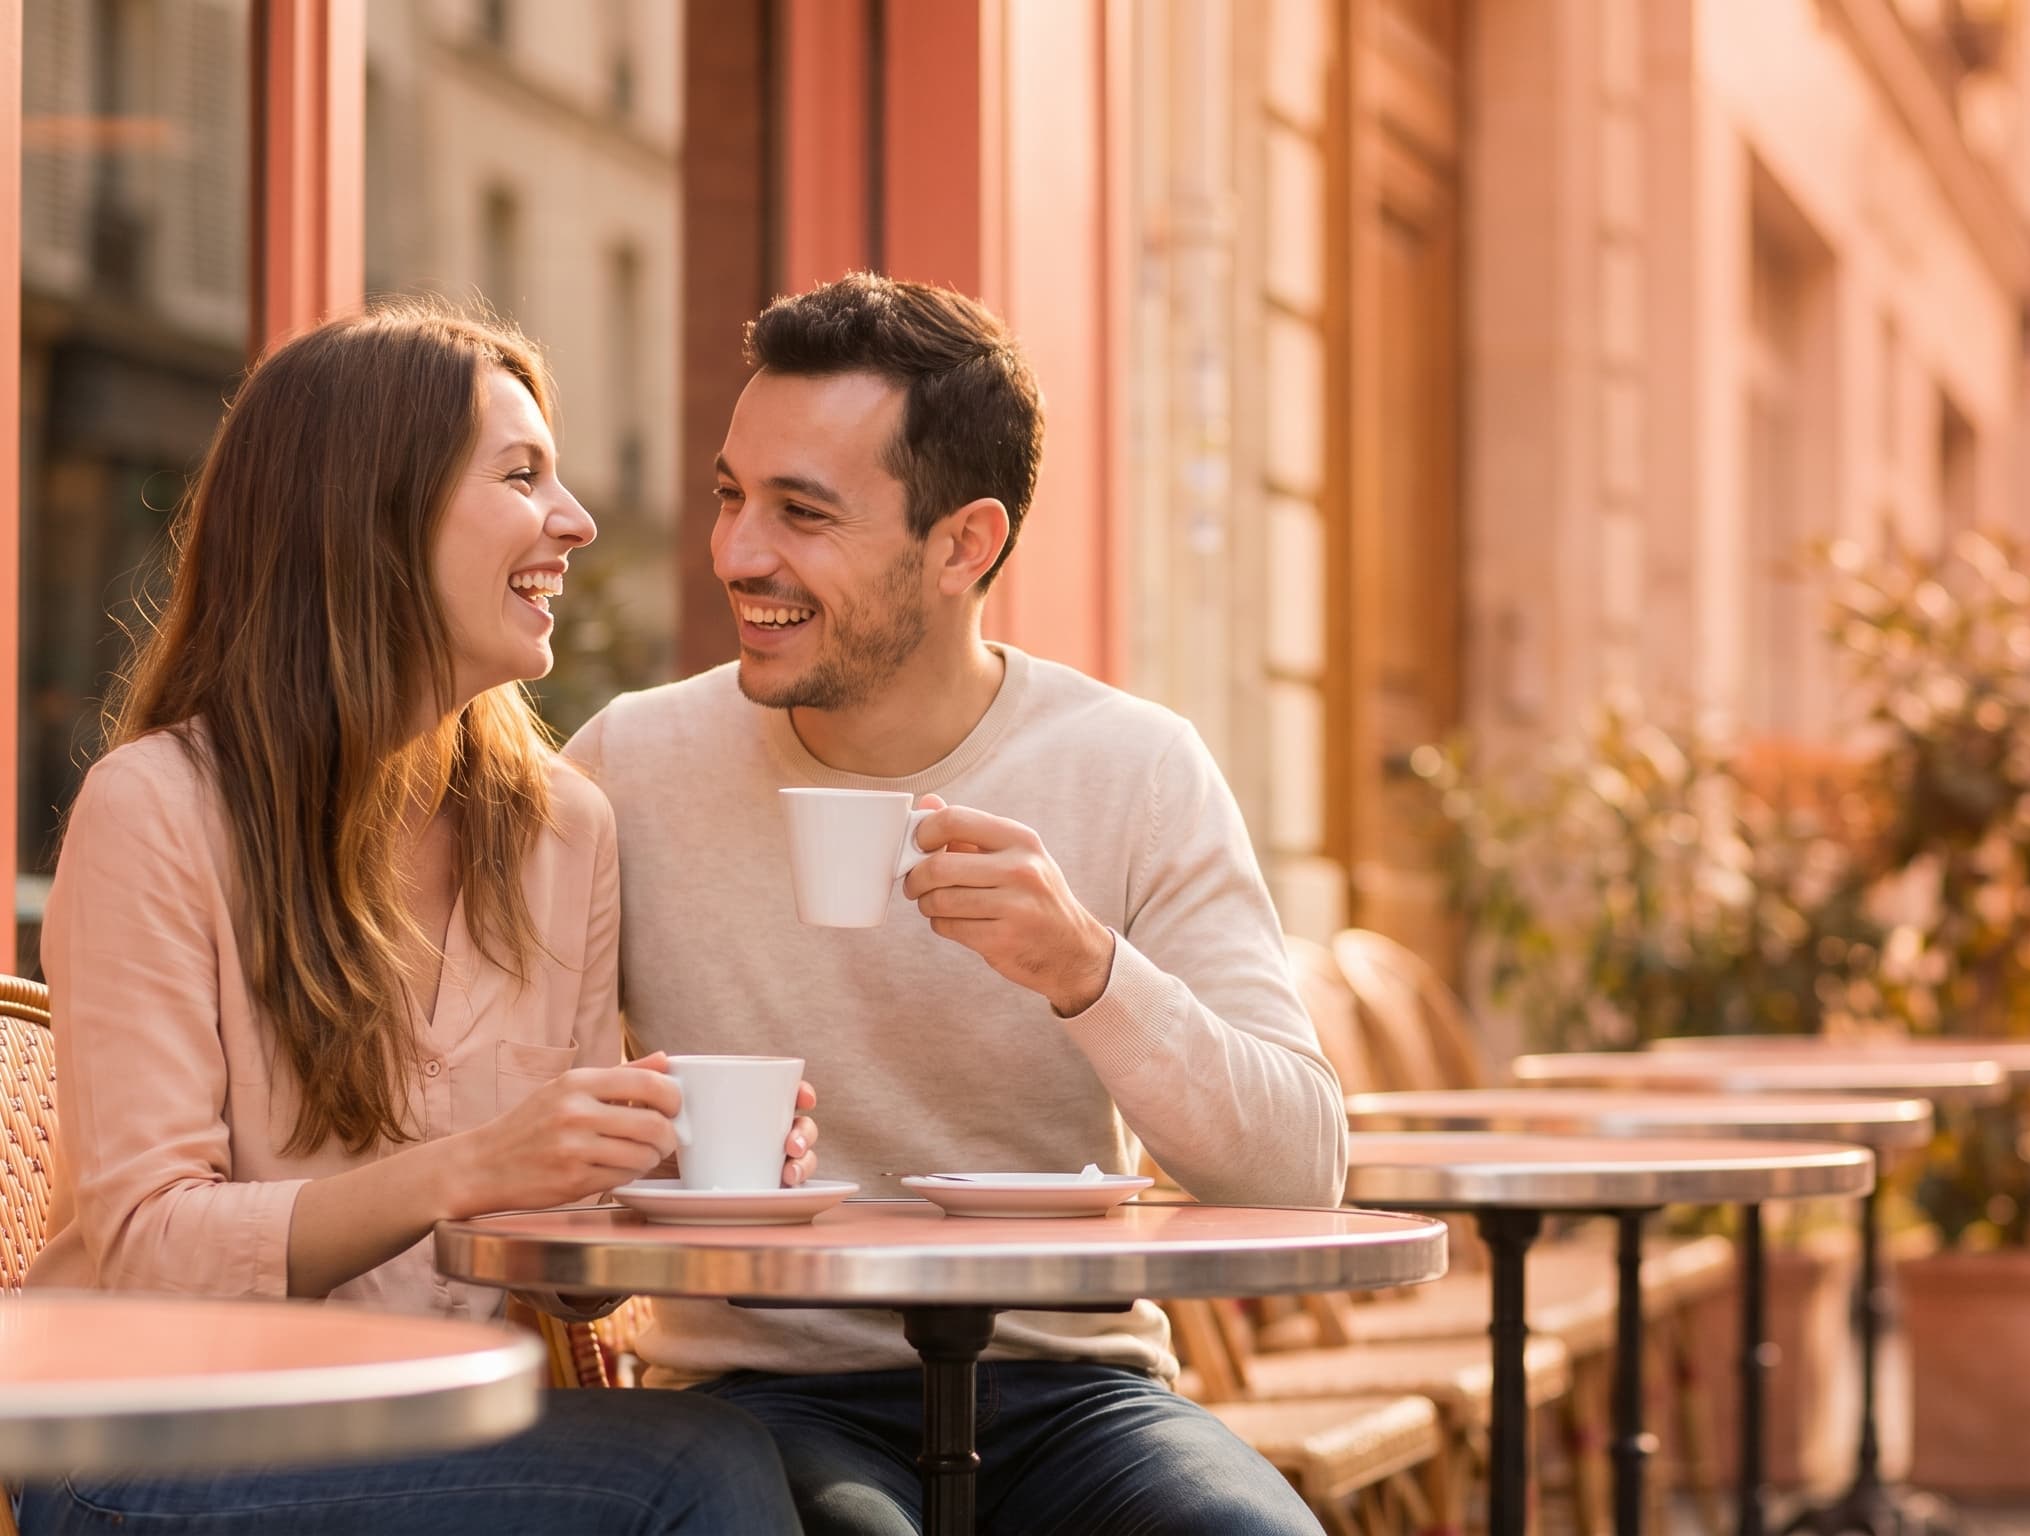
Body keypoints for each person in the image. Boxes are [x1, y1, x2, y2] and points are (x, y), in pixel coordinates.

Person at [563, 273, 1344, 1536]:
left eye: (801, 512)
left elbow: (1298, 1168)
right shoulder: (627, 763)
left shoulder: (1134, 766)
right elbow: (509, 1114)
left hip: (1069, 1388)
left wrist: (1089, 970)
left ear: (962, 546)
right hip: (760, 1396)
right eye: (730, 495)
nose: (737, 552)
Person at [20, 302, 806, 1536]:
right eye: (520, 474)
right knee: (690, 1471)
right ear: (369, 518)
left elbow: (568, 1289)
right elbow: (149, 1248)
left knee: (734, 1451)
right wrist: (473, 1170)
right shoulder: (159, 810)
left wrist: (641, 1185)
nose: (577, 521)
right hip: (147, 1436)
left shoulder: (562, 830)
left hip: (424, 1423)